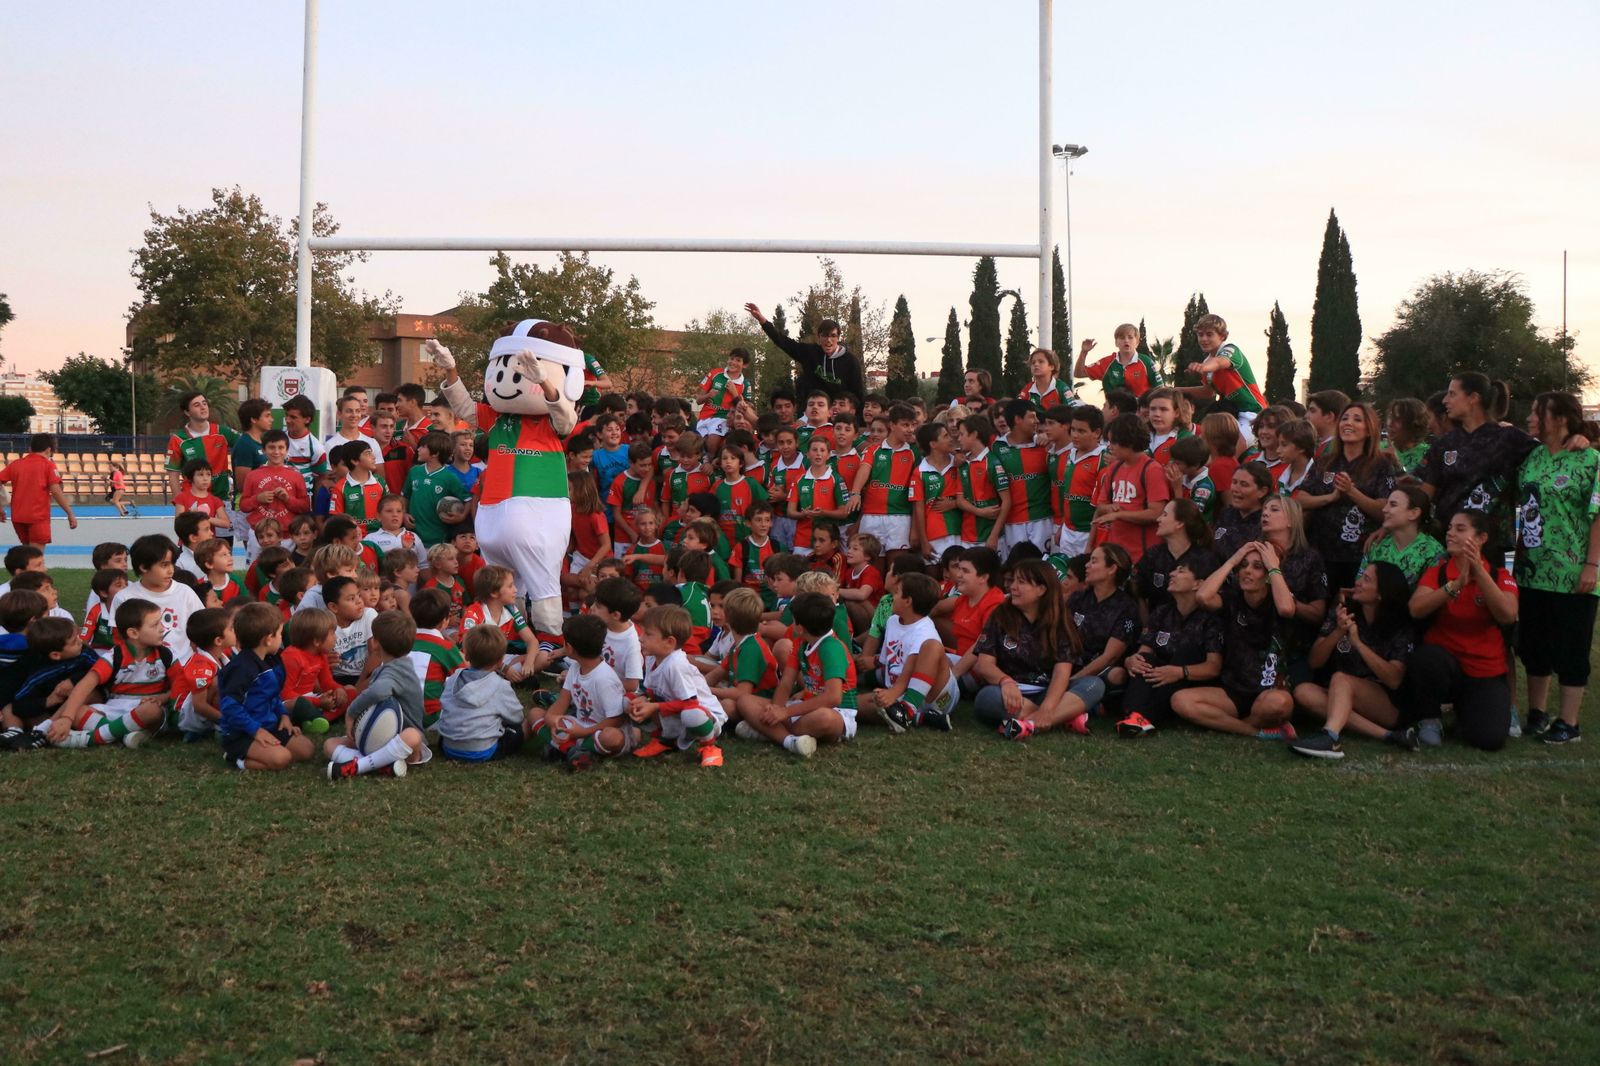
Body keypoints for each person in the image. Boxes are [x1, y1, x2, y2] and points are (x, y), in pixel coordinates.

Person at [1513, 391, 1600, 743]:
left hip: (1573, 572)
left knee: (1571, 647)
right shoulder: (1531, 456)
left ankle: (1569, 722)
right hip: (1532, 570)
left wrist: (1592, 564)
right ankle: (1537, 713)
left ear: (1561, 418)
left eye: (1538, 412)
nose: (1531, 417)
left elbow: (1597, 515)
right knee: (1534, 645)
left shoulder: (1589, 459)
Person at [1407, 509, 1520, 750]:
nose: (1450, 534)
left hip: (1484, 669)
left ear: (1481, 538)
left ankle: (1467, 713)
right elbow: (1416, 609)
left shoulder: (1499, 575)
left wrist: (1479, 573)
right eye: (1449, 528)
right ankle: (1429, 719)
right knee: (1426, 658)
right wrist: (1454, 586)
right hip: (1446, 664)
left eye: (1460, 529)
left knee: (1488, 740)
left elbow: (1508, 615)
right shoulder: (1437, 572)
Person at [1290, 561, 1417, 759]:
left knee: (1341, 678)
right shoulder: (1344, 611)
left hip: (1385, 704)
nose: (1358, 582)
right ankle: (1389, 736)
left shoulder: (1399, 625)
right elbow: (1314, 662)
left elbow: (1394, 679)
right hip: (1342, 694)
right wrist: (1339, 631)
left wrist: (1358, 644)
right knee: (1303, 692)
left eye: (1366, 580)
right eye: (1361, 576)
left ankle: (1330, 736)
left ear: (1380, 593)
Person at [1175, 543, 1297, 739]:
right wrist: (1233, 560)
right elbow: (1203, 596)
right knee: (1181, 701)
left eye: (1257, 566)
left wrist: (1273, 565)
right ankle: (1254, 731)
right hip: (1233, 691)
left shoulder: (1279, 598)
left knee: (1278, 704)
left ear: (1268, 575)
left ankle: (1230, 724)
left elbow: (1287, 610)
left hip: (1269, 691)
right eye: (1244, 565)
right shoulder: (1234, 598)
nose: (1247, 571)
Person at [972, 559, 1100, 740]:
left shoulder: (1060, 619)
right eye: (1013, 581)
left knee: (1094, 684)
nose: (1013, 587)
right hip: (1010, 692)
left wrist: (1048, 707)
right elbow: (984, 664)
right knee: (986, 699)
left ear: (1041, 589)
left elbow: (1062, 672)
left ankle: (1029, 724)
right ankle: (1063, 718)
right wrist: (1005, 682)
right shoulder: (1001, 614)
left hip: (1048, 693)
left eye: (1021, 582)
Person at [1419, 373, 1538, 546]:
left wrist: (1579, 437)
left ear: (1473, 398)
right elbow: (1425, 494)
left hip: (1491, 543)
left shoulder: (1508, 438)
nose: (1445, 400)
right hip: (1447, 539)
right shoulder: (1444, 444)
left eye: (1452, 394)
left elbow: (1550, 453)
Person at [733, 592, 855, 758]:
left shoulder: (832, 648)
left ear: (800, 627)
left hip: (837, 712)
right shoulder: (801, 643)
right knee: (744, 700)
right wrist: (776, 708)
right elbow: (786, 682)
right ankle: (789, 741)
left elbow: (833, 698)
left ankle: (769, 732)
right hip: (804, 705)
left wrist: (785, 713)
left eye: (793, 620)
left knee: (824, 717)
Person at [48, 599, 178, 750]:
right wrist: (67, 718)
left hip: (149, 708)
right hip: (116, 706)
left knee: (151, 711)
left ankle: (89, 739)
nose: (162, 628)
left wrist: (162, 698)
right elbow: (84, 685)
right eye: (155, 625)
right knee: (78, 711)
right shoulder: (114, 656)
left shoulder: (166, 655)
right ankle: (124, 734)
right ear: (133, 633)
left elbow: (180, 687)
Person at [1295, 402, 1398, 591]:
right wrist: (1330, 498)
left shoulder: (1381, 465)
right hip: (1320, 551)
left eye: (1357, 419)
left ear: (1369, 430)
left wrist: (1352, 492)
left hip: (1359, 556)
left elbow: (1386, 510)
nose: (1348, 423)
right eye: (1345, 418)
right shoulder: (1324, 462)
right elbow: (1301, 498)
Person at [1117, 560, 1225, 737]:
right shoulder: (1162, 612)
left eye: (1181, 571)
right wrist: (1132, 660)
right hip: (1159, 677)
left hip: (1188, 681)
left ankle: (1141, 716)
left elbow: (1213, 667)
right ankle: (1136, 717)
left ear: (1198, 583)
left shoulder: (1210, 619)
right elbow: (1145, 650)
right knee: (1145, 659)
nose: (1172, 574)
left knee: (1186, 653)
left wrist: (1179, 672)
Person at [326, 610, 429, 779]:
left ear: (375, 643)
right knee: (329, 744)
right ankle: (382, 765)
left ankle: (360, 766)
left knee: (413, 736)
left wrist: (352, 712)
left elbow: (380, 691)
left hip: (401, 743)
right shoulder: (392, 667)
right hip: (376, 737)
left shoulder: (398, 671)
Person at [211, 602, 314, 771]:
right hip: (241, 732)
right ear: (268, 639)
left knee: (306, 750)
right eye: (280, 634)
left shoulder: (272, 660)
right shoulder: (241, 669)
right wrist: (256, 731)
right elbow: (230, 707)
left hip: (269, 724)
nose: (281, 639)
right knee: (282, 759)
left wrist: (283, 716)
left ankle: (264, 749)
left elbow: (272, 695)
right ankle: (235, 758)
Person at [857, 573, 957, 733]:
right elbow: (889, 660)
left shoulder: (924, 629)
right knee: (853, 706)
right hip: (899, 692)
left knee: (932, 646)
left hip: (936, 696)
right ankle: (919, 717)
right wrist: (871, 662)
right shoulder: (892, 621)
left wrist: (895, 690)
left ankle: (908, 710)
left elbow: (911, 663)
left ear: (908, 601)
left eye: (896, 593)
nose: (892, 596)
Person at [629, 604, 727, 766]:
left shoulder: (676, 664)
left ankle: (709, 746)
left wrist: (654, 707)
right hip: (676, 712)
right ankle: (665, 740)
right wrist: (643, 698)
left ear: (669, 642)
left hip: (705, 715)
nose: (641, 638)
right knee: (628, 701)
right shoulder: (653, 656)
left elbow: (690, 703)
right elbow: (654, 691)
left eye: (648, 634)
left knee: (692, 714)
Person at [439, 624, 535, 764]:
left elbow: (444, 705)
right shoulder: (499, 685)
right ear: (501, 661)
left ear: (465, 654)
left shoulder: (453, 679)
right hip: (483, 750)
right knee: (522, 727)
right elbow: (516, 717)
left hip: (448, 747)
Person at [745, 303, 865, 408]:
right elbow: (783, 341)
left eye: (833, 336)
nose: (829, 340)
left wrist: (860, 423)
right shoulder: (810, 353)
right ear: (819, 337)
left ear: (838, 338)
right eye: (825, 336)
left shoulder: (850, 361)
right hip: (811, 413)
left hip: (838, 415)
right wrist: (762, 320)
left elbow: (858, 394)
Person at [1091, 414, 1170, 564]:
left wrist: (1120, 515)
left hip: (1144, 554)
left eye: (1114, 442)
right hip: (1117, 553)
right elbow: (1101, 506)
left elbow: (1157, 513)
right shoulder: (1114, 468)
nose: (1110, 446)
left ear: (1128, 441)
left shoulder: (1151, 469)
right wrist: (1110, 509)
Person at [111, 534, 205, 661]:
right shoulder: (124, 597)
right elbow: (120, 639)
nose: (171, 570)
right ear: (143, 567)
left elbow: (202, 629)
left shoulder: (185, 592)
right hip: (142, 670)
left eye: (172, 564)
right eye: (164, 565)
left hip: (183, 666)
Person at [1178, 314, 1267, 439]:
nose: (1203, 339)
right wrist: (1176, 390)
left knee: (1233, 449)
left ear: (1222, 336)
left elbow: (1220, 362)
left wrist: (1202, 368)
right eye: (1200, 334)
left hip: (1253, 412)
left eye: (1209, 334)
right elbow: (1209, 392)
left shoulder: (1230, 350)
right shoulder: (1207, 363)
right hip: (1232, 414)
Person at [848, 403, 920, 555]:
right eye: (905, 425)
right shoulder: (873, 450)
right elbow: (864, 468)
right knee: (872, 565)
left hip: (900, 517)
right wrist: (855, 493)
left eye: (912, 425)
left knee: (897, 568)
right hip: (871, 516)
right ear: (892, 425)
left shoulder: (914, 453)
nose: (910, 430)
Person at [1133, 499, 1220, 614]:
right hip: (1157, 628)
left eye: (1165, 515)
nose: (1158, 519)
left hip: (1195, 629)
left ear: (1179, 523)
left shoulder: (1205, 559)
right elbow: (1139, 594)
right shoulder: (1153, 556)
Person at [992, 400, 1055, 557]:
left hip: (1043, 520)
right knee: (1016, 568)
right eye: (1031, 417)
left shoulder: (1045, 445)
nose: (1037, 421)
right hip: (1012, 523)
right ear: (1017, 420)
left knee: (1042, 567)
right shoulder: (997, 447)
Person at [1356, 486, 1444, 587]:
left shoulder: (1433, 553)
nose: (1384, 509)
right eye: (1386, 504)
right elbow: (1359, 584)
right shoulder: (1377, 544)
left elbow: (1428, 598)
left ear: (1414, 513)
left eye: (1393, 505)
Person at [0, 433, 78, 545]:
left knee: (26, 554)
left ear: (30, 449)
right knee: (35, 557)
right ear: (48, 450)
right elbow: (56, 491)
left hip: (18, 517)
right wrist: (70, 513)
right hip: (38, 517)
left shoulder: (16, 464)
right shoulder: (48, 465)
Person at [166, 391, 239, 501]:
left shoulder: (222, 432)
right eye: (197, 405)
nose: (203, 407)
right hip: (193, 501)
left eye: (204, 403)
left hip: (222, 499)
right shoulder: (178, 439)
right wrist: (179, 502)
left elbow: (248, 444)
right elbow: (173, 474)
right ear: (187, 412)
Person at [239, 430, 311, 533]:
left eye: (281, 447)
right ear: (263, 450)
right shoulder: (252, 475)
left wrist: (287, 499)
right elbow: (243, 506)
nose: (276, 452)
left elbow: (305, 507)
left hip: (287, 534)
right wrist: (258, 499)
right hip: (258, 534)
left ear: (287, 450)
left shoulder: (296, 476)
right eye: (271, 447)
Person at [403, 432, 465, 549]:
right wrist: (404, 513)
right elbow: (405, 496)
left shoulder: (450, 477)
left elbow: (467, 500)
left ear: (435, 453)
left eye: (423, 447)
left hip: (438, 540)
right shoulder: (414, 471)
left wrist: (460, 517)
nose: (418, 449)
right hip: (413, 538)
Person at [1075, 326, 1163, 399]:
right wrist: (1084, 352)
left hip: (1139, 414)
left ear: (1137, 342)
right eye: (1122, 337)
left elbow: (1159, 389)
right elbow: (1079, 373)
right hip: (1114, 414)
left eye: (1130, 337)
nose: (1126, 340)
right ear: (1116, 342)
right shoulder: (1107, 362)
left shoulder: (1146, 362)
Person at [1212, 462, 1274, 558]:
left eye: (1244, 484)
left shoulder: (1266, 523)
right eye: (1234, 482)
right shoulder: (1227, 513)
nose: (1235, 489)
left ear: (1262, 491)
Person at [1384, 397, 1433, 475]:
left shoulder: (1429, 454)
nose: (1390, 423)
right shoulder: (1379, 450)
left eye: (1397, 419)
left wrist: (1396, 464)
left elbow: (1419, 484)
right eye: (1390, 417)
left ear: (1414, 424)